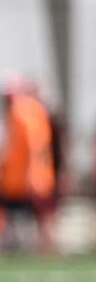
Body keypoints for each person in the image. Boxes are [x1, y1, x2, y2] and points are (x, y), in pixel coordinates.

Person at [0, 79, 54, 254]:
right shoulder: (18, 112)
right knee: (21, 214)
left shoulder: (22, 111)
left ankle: (45, 248)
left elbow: (33, 146)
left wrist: (30, 173)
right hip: (16, 176)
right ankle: (34, 247)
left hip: (29, 176)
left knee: (39, 214)